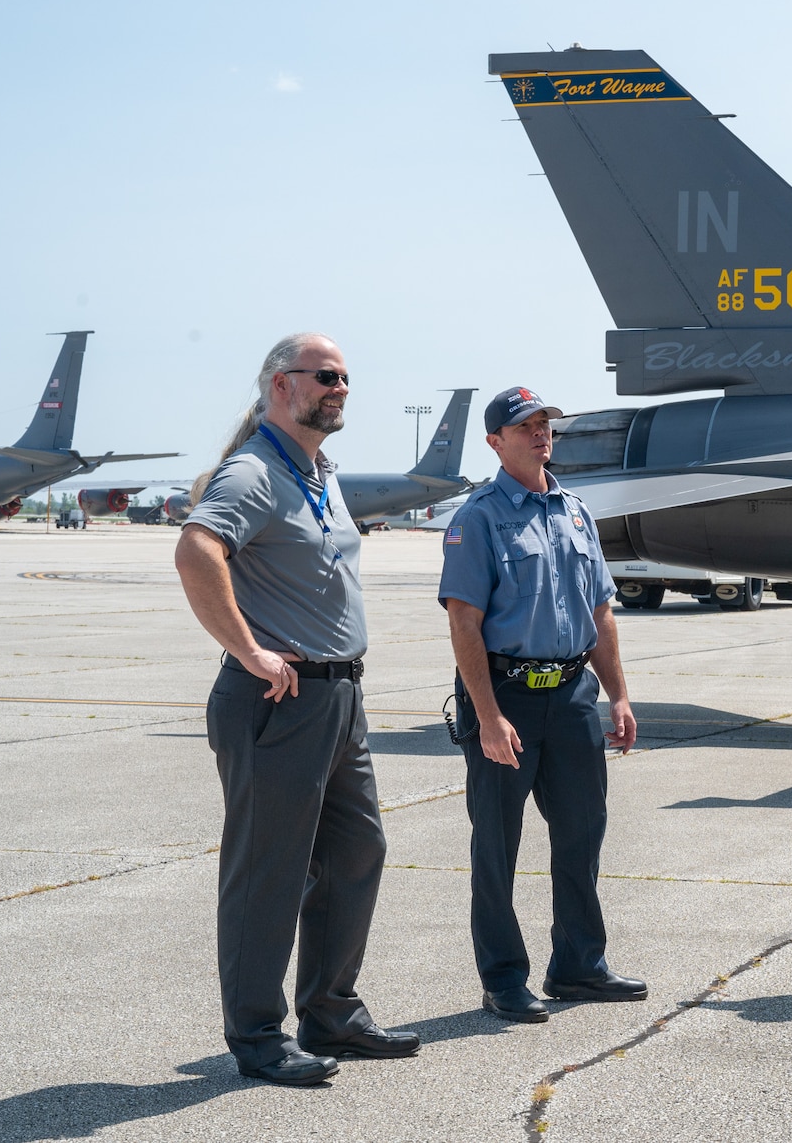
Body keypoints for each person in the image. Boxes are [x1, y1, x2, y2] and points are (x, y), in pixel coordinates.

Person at [175, 333, 417, 1086]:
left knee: (357, 850)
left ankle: (331, 1011)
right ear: (281, 384)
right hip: (279, 700)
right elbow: (195, 551)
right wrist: (250, 651)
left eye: (346, 377)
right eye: (326, 376)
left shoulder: (319, 471)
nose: (340, 386)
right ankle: (255, 1034)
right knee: (269, 870)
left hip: (339, 696)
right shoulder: (254, 471)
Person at [439, 387, 644, 1023]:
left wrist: (619, 696)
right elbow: (464, 623)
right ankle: (503, 978)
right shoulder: (478, 518)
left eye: (544, 424)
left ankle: (579, 966)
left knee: (582, 836)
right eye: (524, 426)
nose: (539, 434)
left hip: (574, 695)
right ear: (496, 442)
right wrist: (489, 714)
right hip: (506, 697)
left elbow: (601, 612)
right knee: (497, 847)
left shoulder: (575, 512)